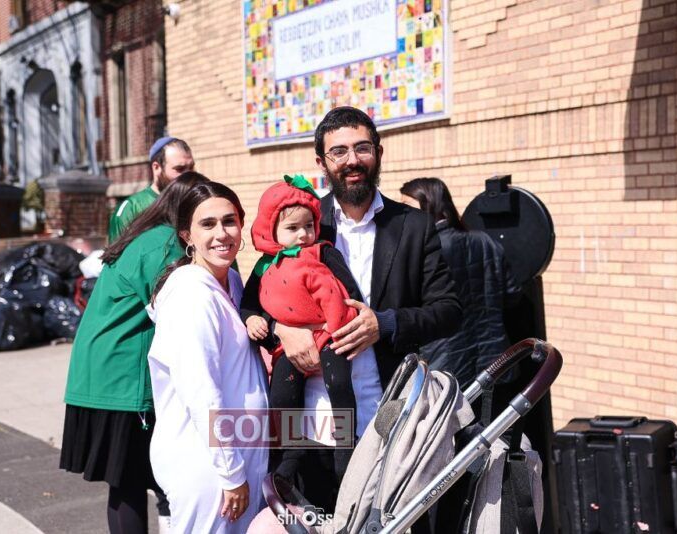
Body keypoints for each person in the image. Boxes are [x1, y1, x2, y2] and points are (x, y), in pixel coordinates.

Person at [267, 106, 462, 513]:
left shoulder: (413, 225)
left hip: (388, 416)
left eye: (362, 148)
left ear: (378, 153)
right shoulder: (303, 222)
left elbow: (449, 310)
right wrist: (281, 329)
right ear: (321, 162)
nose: (352, 160)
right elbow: (260, 297)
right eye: (338, 151)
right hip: (312, 417)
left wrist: (384, 324)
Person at [60, 171, 210, 534]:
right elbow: (178, 315)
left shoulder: (146, 236)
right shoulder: (166, 246)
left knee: (127, 483)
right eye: (205, 217)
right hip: (123, 382)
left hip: (102, 374)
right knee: (139, 479)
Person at [146, 182, 268, 533]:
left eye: (229, 221)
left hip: (239, 454)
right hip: (206, 466)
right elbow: (201, 391)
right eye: (207, 224)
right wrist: (230, 473)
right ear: (187, 234)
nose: (221, 233)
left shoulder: (232, 281)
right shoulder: (190, 295)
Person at [241, 174, 361, 485]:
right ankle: (289, 456)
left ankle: (346, 448)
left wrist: (343, 320)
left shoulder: (324, 252)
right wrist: (253, 320)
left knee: (339, 384)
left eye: (309, 225)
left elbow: (351, 291)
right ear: (271, 230)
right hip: (287, 344)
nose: (303, 235)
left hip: (330, 335)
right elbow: (249, 304)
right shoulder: (264, 265)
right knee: (282, 396)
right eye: (292, 228)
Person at [400, 177, 521, 389]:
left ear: (429, 205)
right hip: (496, 364)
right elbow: (512, 295)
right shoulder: (484, 241)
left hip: (447, 373)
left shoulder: (424, 251)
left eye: (406, 207)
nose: (402, 214)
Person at [108, 136, 196, 242]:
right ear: (156, 167)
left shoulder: (197, 202)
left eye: (191, 167)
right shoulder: (133, 208)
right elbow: (118, 250)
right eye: (179, 169)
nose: (188, 175)